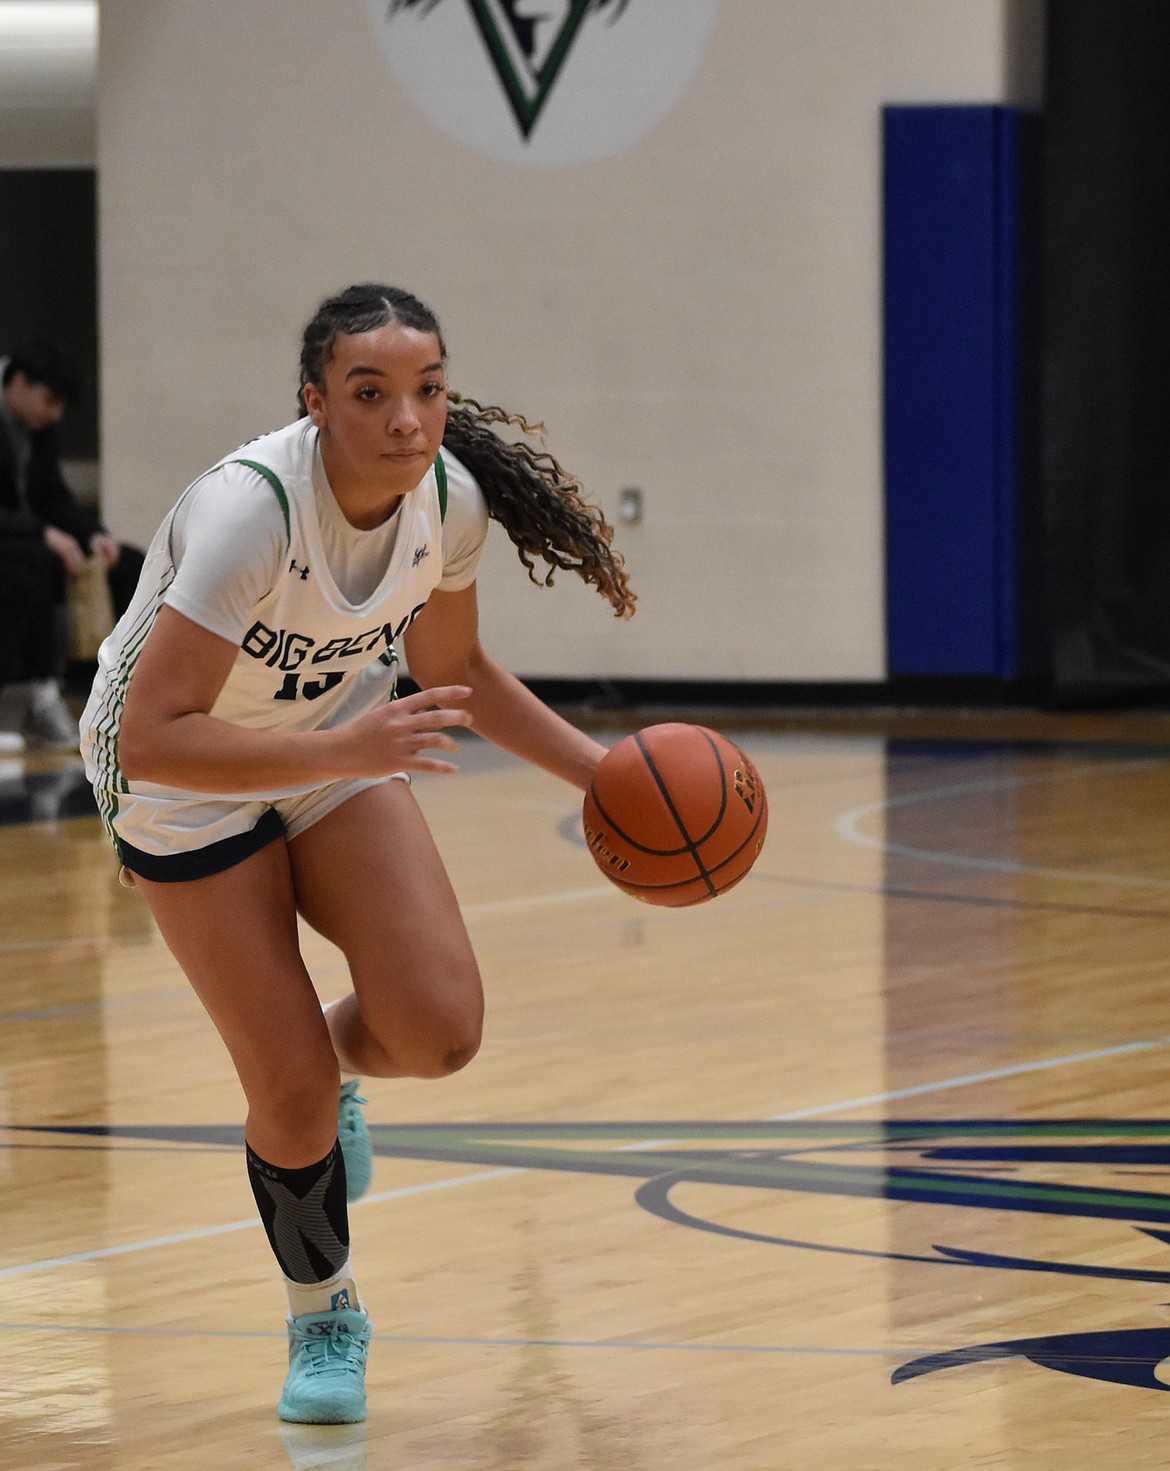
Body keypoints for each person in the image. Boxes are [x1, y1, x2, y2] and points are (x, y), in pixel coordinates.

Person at [80, 283, 635, 1424]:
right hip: (176, 779)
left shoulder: (451, 506)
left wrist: (605, 778)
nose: (407, 419)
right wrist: (346, 745)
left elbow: (460, 675)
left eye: (426, 390)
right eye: (371, 394)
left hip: (333, 738)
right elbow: (157, 733)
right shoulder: (253, 514)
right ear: (315, 404)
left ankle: (327, 1085)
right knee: (280, 1085)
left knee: (439, 1030)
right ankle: (324, 1309)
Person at [0, 340, 144, 750]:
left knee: (130, 564)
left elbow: (52, 496)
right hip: (16, 543)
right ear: (20, 382)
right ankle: (39, 697)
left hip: (24, 538)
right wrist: (42, 533)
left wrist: (92, 534)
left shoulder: (37, 424)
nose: (55, 414)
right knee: (35, 563)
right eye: (50, 401)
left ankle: (129, 697)